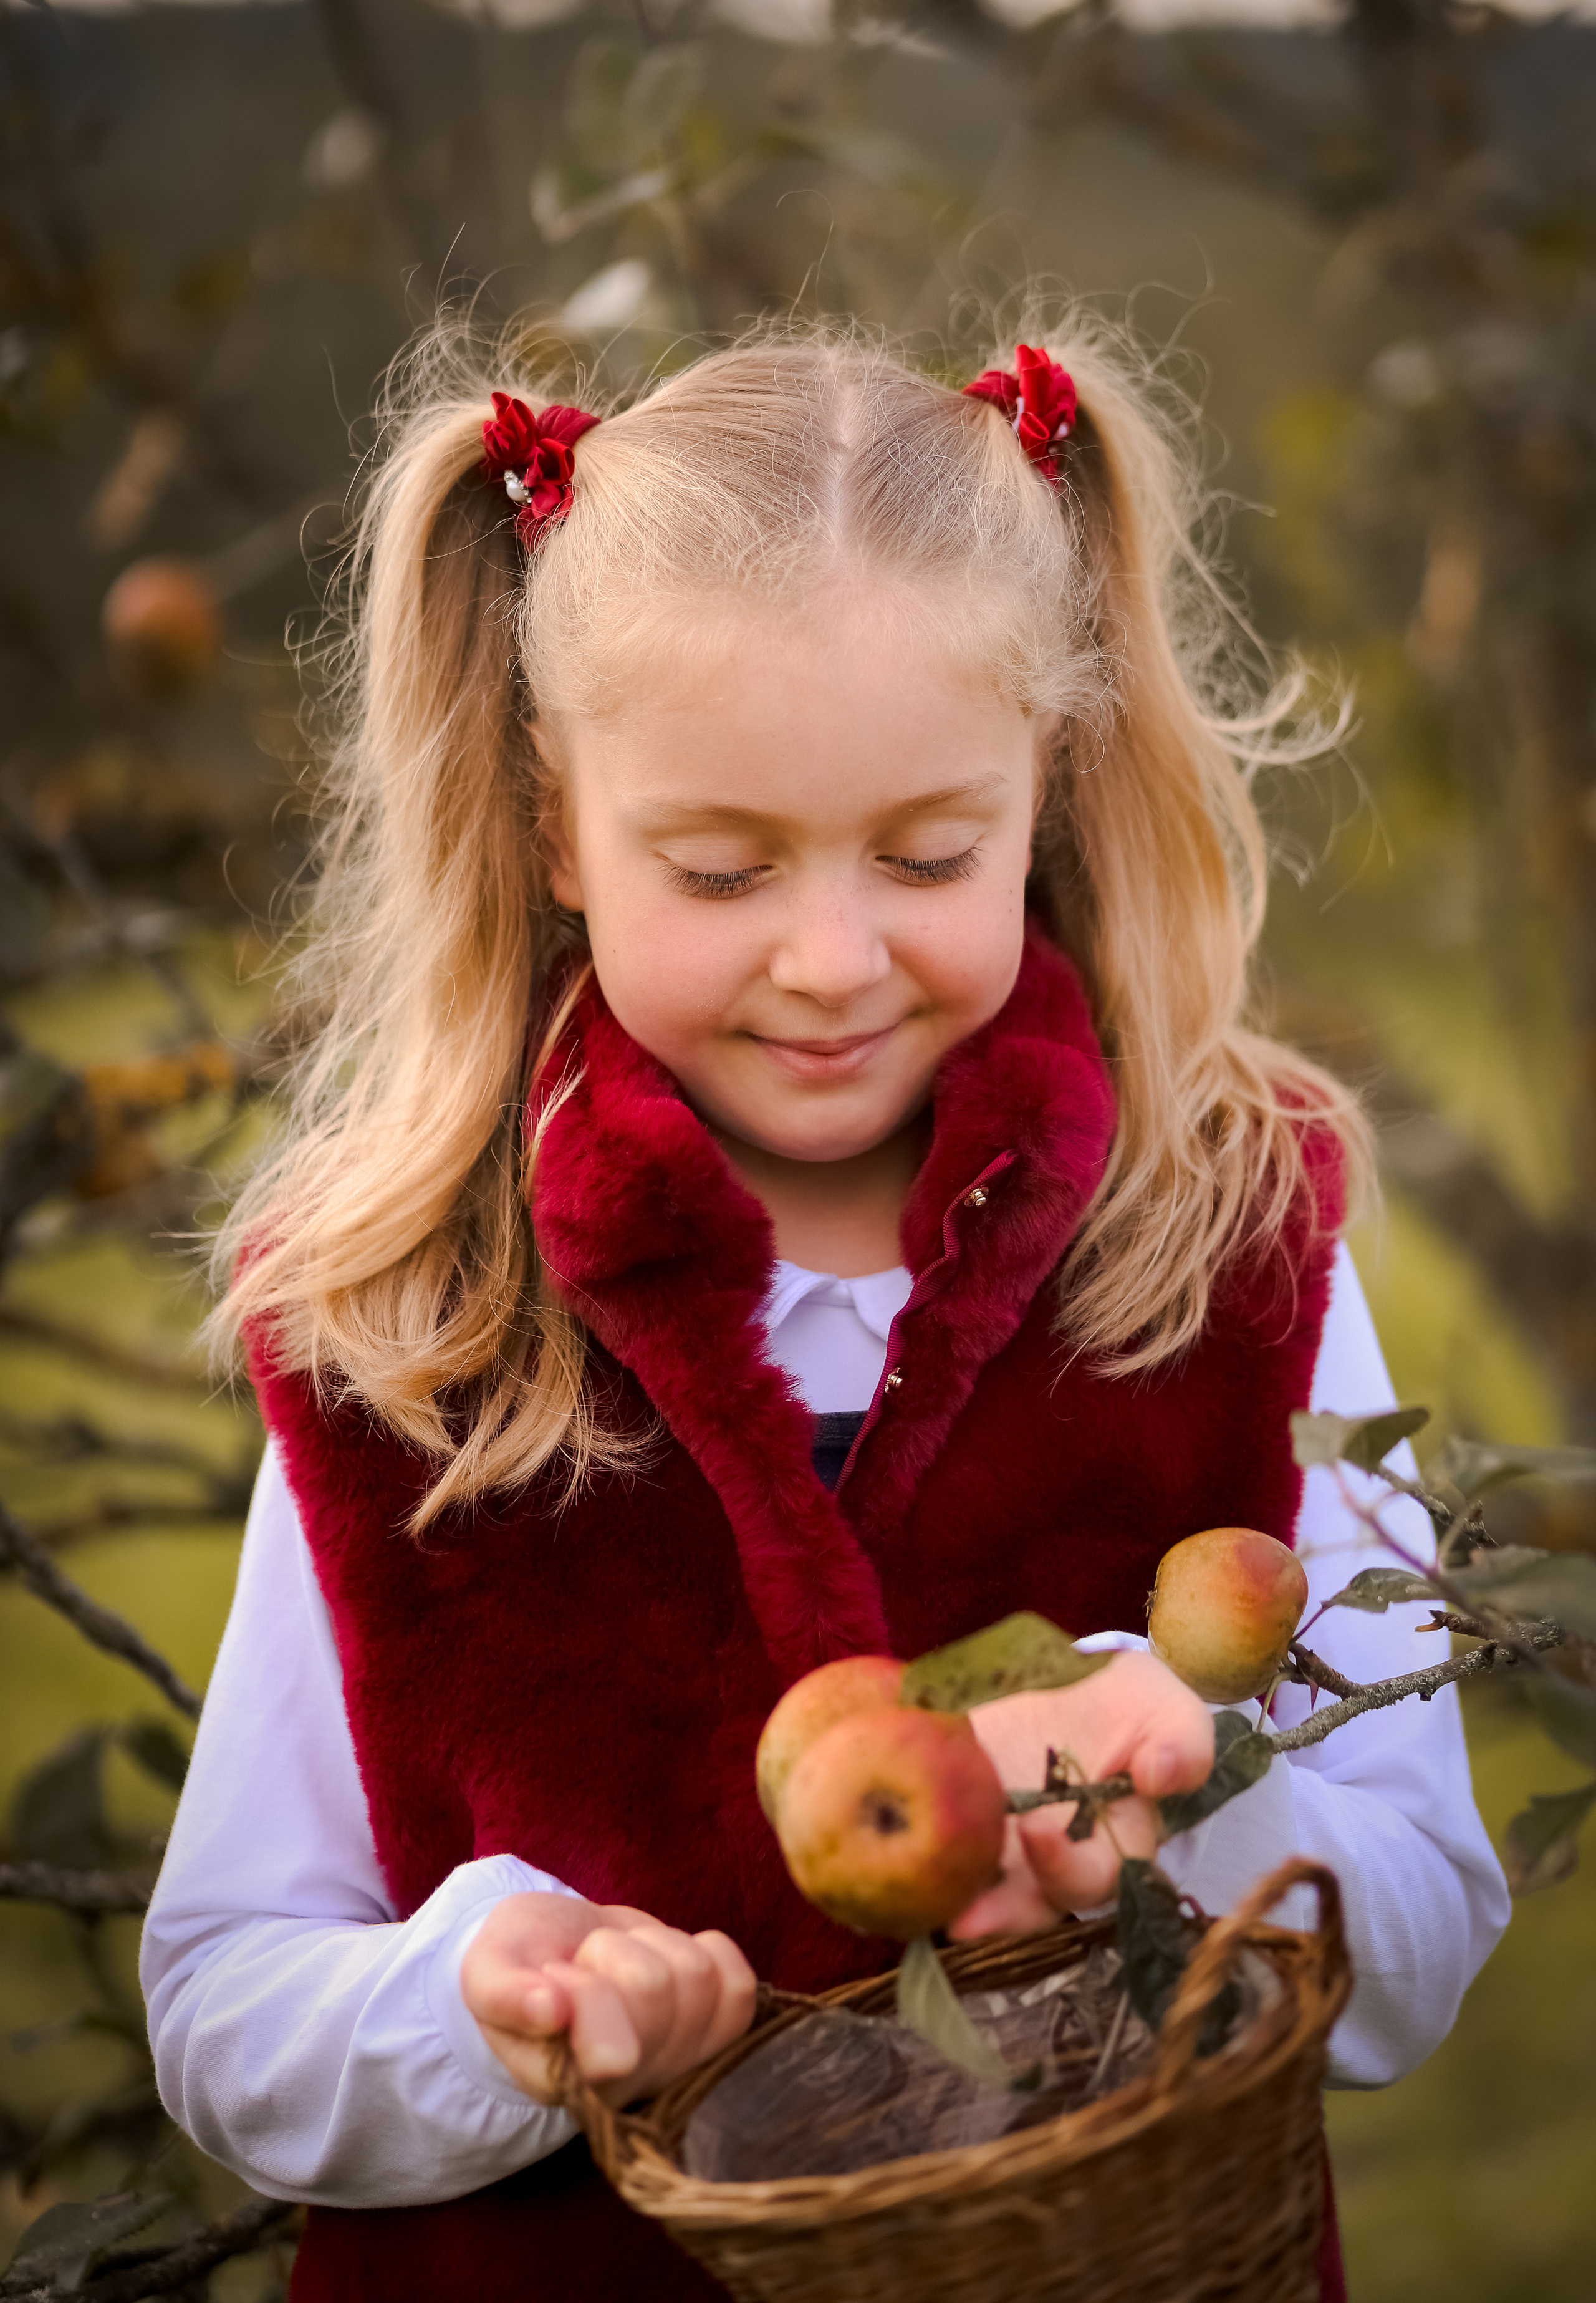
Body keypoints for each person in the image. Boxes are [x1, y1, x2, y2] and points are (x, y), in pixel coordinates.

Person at [141, 324, 1509, 2303]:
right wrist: (479, 2001)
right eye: (721, 871)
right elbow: (227, 2000)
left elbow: (1427, 1930)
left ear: (1041, 789)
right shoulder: (416, 1326)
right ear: (557, 830)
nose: (836, 958)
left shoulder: (1227, 1237)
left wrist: (1192, 1795)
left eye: (929, 855)